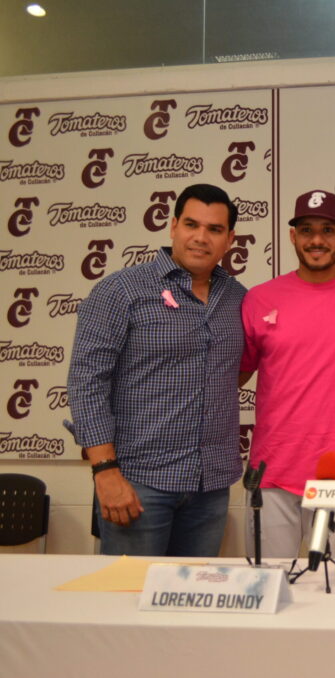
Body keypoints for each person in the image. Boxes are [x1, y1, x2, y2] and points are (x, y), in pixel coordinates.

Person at [67, 183, 246, 557]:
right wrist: (105, 472)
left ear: (229, 238)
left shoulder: (238, 298)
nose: (201, 238)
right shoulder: (121, 291)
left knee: (193, 605)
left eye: (214, 230)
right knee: (128, 605)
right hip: (138, 484)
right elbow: (86, 383)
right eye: (191, 225)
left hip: (209, 487)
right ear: (173, 226)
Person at [239, 189, 335, 560]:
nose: (317, 240)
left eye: (327, 230)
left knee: (332, 586)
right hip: (273, 474)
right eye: (306, 230)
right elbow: (231, 378)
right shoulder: (259, 299)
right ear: (292, 236)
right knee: (268, 585)